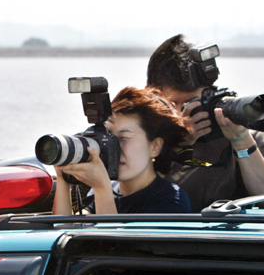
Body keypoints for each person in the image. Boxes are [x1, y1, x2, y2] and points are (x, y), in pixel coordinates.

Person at [147, 35, 264, 212]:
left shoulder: (235, 130)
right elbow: (135, 195)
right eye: (172, 104)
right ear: (152, 97)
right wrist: (178, 147)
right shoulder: (141, 135)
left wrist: (242, 142)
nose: (181, 113)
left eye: (191, 103)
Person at [52, 86, 192, 215]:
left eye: (123, 138)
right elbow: (66, 227)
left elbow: (110, 235)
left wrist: (102, 188)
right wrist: (63, 177)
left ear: (155, 147)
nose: (113, 148)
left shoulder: (172, 199)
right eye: (109, 137)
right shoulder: (109, 189)